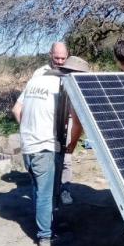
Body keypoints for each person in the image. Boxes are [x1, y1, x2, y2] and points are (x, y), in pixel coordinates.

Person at [12, 56, 90, 246]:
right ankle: (45, 236)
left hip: (28, 146)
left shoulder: (35, 80)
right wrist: (71, 145)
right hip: (45, 148)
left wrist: (31, 130)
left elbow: (16, 109)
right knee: (46, 194)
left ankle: (46, 225)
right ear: (74, 75)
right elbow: (77, 121)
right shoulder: (64, 87)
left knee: (38, 190)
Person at [31, 43, 77, 205]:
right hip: (47, 120)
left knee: (66, 158)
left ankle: (65, 190)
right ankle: (50, 193)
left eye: (63, 58)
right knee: (50, 156)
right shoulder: (40, 73)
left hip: (68, 118)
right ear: (50, 54)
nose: (59, 61)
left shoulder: (72, 71)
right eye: (56, 57)